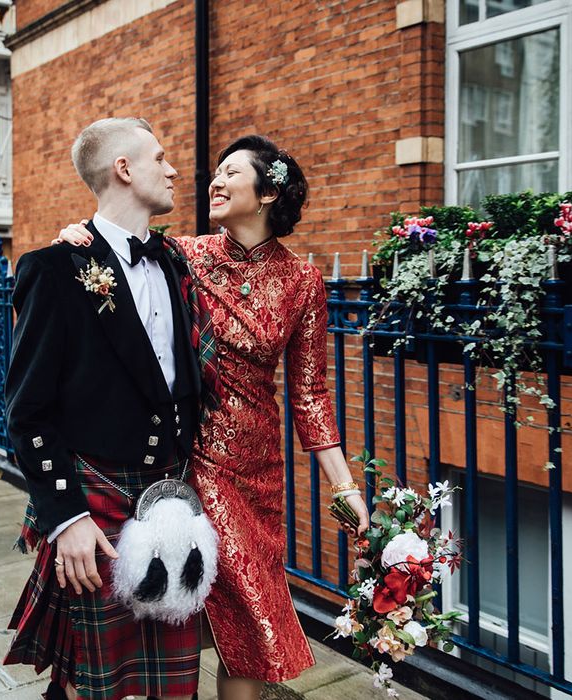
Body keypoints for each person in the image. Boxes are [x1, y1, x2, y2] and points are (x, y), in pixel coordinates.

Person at [56, 134, 371, 700]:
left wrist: (344, 484)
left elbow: (310, 393)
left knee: (246, 626)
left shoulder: (303, 282)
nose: (215, 182)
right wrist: (78, 237)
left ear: (268, 191)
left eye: (231, 173)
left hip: (259, 467)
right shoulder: (185, 254)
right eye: (215, 173)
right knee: (193, 603)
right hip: (189, 456)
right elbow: (119, 252)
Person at [3, 117, 208, 700]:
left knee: (172, 679)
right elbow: (28, 409)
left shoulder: (175, 260)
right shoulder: (55, 269)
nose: (173, 169)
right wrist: (65, 517)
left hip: (169, 497)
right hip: (93, 494)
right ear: (124, 169)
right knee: (94, 681)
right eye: (160, 157)